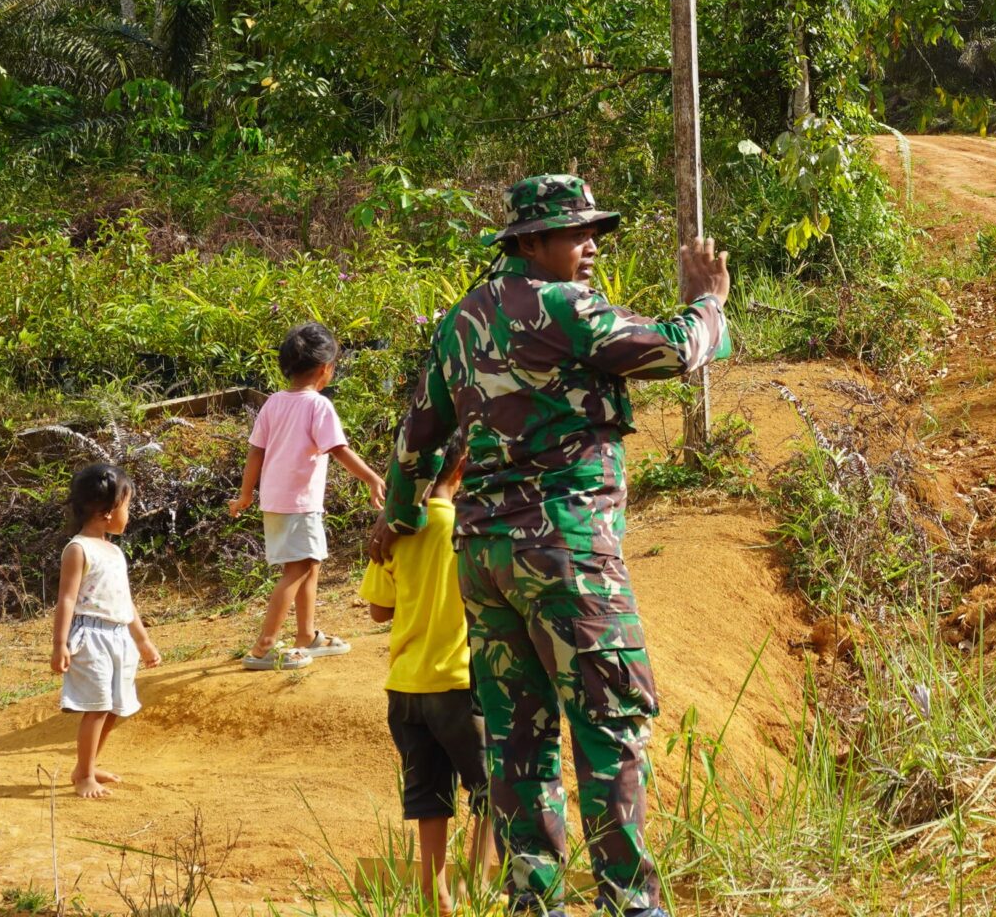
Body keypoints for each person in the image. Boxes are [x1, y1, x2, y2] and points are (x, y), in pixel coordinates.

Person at [373, 174, 731, 917]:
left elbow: (417, 440)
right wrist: (709, 301)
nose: (591, 244)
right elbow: (671, 352)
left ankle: (533, 904)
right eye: (576, 232)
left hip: (485, 560)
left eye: (593, 229)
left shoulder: (460, 322)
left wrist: (401, 515)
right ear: (530, 243)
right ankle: (631, 904)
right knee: (609, 724)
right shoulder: (565, 307)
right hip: (566, 552)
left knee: (517, 742)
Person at [361, 454, 496, 913]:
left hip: (404, 688)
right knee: (493, 792)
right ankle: (476, 891)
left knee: (428, 798)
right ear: (462, 466)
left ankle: (435, 897)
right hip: (456, 684)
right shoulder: (466, 527)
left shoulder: (395, 529)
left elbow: (379, 609)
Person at [230, 322, 386, 670]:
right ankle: (265, 645)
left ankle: (307, 636)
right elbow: (338, 449)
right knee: (298, 569)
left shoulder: (273, 403)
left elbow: (256, 451)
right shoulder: (318, 406)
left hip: (277, 501)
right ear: (325, 369)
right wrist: (372, 478)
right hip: (299, 503)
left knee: (307, 565)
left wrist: (244, 495)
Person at [52, 462, 160, 798]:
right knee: (97, 707)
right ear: (107, 511)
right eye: (126, 506)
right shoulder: (78, 549)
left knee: (114, 707)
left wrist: (143, 641)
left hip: (118, 637)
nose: (129, 513)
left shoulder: (114, 551)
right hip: (92, 638)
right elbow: (66, 600)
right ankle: (84, 776)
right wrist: (60, 644)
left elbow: (125, 602)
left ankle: (86, 764)